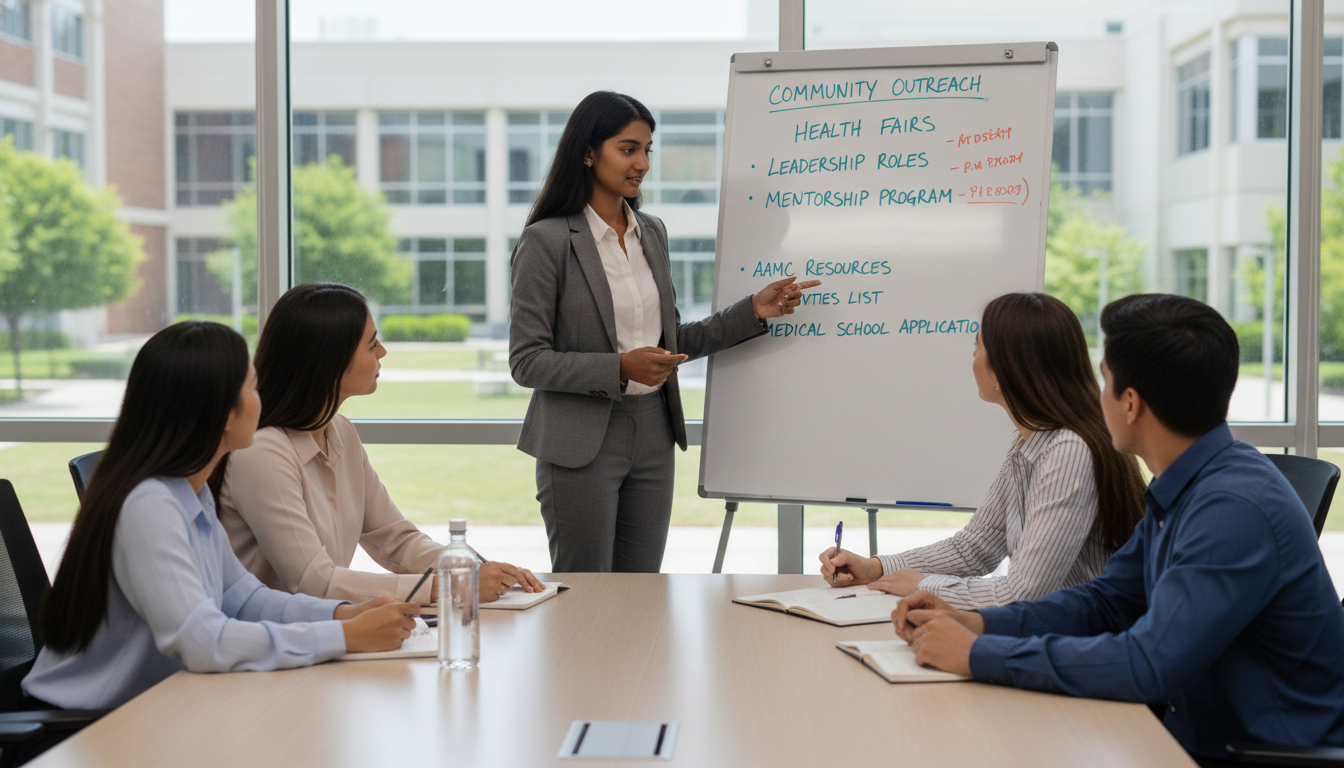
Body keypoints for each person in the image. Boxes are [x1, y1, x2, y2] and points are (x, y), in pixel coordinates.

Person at [893, 294, 1344, 765]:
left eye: (1103, 381)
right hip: (1192, 732)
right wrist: (980, 623)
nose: (1096, 395)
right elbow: (1105, 601)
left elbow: (1148, 664)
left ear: (1130, 404)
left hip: (1263, 753)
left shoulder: (1231, 510)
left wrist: (979, 654)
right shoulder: (1191, 484)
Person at [25, 322, 417, 711]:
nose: (260, 397)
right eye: (251, 387)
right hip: (84, 726)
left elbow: (244, 599)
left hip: (158, 705)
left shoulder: (189, 491)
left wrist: (341, 614)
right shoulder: (149, 505)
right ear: (223, 413)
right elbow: (201, 641)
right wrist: (344, 636)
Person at [509, 90, 821, 573]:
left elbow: (672, 340)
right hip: (581, 441)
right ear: (588, 152)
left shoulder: (651, 232)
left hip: (653, 434)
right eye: (628, 149)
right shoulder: (547, 240)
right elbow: (527, 361)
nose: (642, 164)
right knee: (587, 598)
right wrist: (619, 367)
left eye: (647, 150)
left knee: (642, 594)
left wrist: (752, 312)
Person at [217, 283, 543, 606]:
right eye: (372, 345)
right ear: (329, 361)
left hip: (321, 630)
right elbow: (312, 581)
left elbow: (394, 540)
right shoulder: (262, 452)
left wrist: (474, 569)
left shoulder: (340, 431)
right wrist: (448, 586)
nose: (383, 352)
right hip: (273, 641)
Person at [820, 292, 1146, 609]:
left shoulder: (1068, 451)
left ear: (1005, 370)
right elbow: (976, 547)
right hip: (1058, 630)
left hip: (1086, 640)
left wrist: (924, 587)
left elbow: (1024, 593)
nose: (973, 357)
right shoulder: (1032, 442)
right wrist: (876, 567)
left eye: (977, 347)